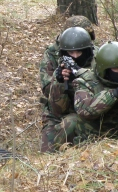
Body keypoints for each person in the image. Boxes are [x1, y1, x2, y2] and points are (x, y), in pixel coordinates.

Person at [47, 41, 118, 149]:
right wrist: (116, 93)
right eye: (117, 69)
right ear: (105, 69)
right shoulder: (85, 81)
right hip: (88, 140)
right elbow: (85, 110)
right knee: (70, 121)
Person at [38, 16, 96, 152]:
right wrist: (59, 80)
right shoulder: (52, 54)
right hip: (58, 112)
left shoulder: (95, 53)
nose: (75, 55)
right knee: (48, 154)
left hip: (89, 107)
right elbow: (47, 91)